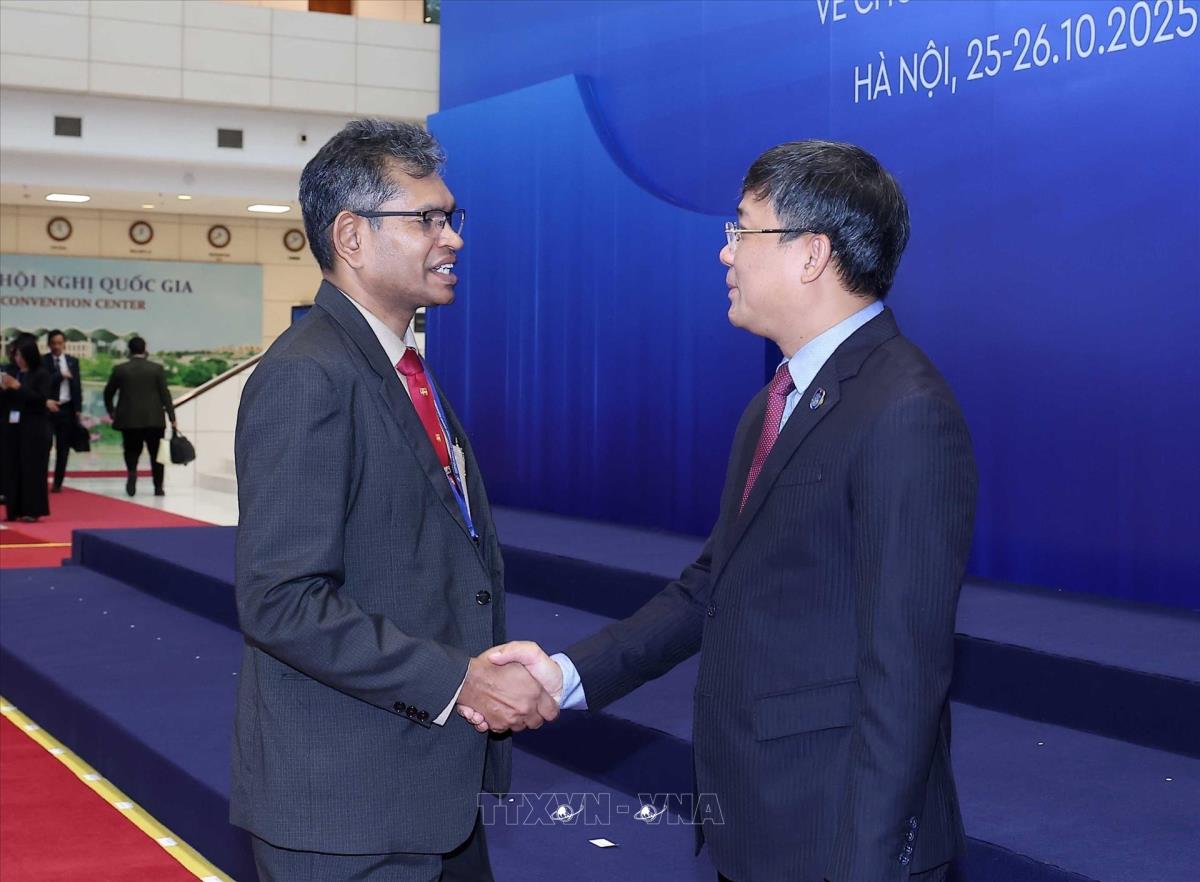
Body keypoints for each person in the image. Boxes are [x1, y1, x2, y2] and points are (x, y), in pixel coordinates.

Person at [473, 141, 979, 882]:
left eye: (741, 229)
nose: (725, 252)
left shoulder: (904, 410)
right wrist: (563, 675)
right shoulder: (774, 404)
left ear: (811, 254)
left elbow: (906, 672)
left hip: (835, 841)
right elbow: (711, 586)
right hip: (762, 828)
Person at [231, 119, 557, 882]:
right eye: (428, 219)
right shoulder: (309, 375)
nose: (453, 238)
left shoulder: (398, 366)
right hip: (347, 815)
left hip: (429, 794)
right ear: (352, 236)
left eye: (451, 216)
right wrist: (460, 680)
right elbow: (281, 600)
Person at [102, 336, 175, 497]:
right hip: (154, 420)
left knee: (131, 451)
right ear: (145, 349)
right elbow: (165, 394)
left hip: (129, 420)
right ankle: (158, 487)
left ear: (129, 350)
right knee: (157, 454)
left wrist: (111, 411)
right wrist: (172, 416)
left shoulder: (120, 369)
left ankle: (132, 473)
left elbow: (108, 392)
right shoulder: (156, 369)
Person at [1, 336, 56, 522]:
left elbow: (40, 400)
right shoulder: (12, 372)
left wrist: (18, 387)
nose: (18, 359)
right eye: (16, 355)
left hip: (34, 426)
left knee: (32, 469)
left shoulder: (41, 374)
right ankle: (14, 509)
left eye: (21, 355)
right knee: (12, 467)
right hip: (13, 426)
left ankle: (32, 510)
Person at [43, 329, 83, 493]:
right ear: (49, 344)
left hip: (66, 409)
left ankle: (58, 482)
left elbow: (77, 386)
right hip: (47, 409)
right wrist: (60, 375)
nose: (57, 346)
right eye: (53, 343)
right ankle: (41, 480)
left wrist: (78, 409)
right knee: (45, 445)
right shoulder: (43, 361)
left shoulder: (72, 361)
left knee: (63, 448)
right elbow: (44, 382)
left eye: (60, 343)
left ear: (64, 344)